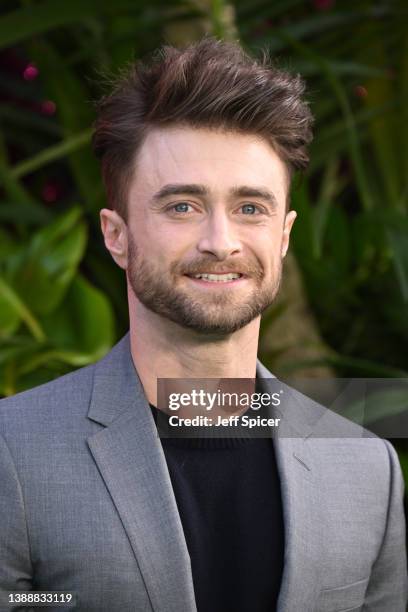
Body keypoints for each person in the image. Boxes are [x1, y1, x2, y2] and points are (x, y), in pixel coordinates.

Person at [0, 37, 406, 612]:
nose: (221, 242)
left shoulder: (366, 467)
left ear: (284, 235)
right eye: (182, 206)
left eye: (250, 208)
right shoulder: (11, 451)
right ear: (117, 236)